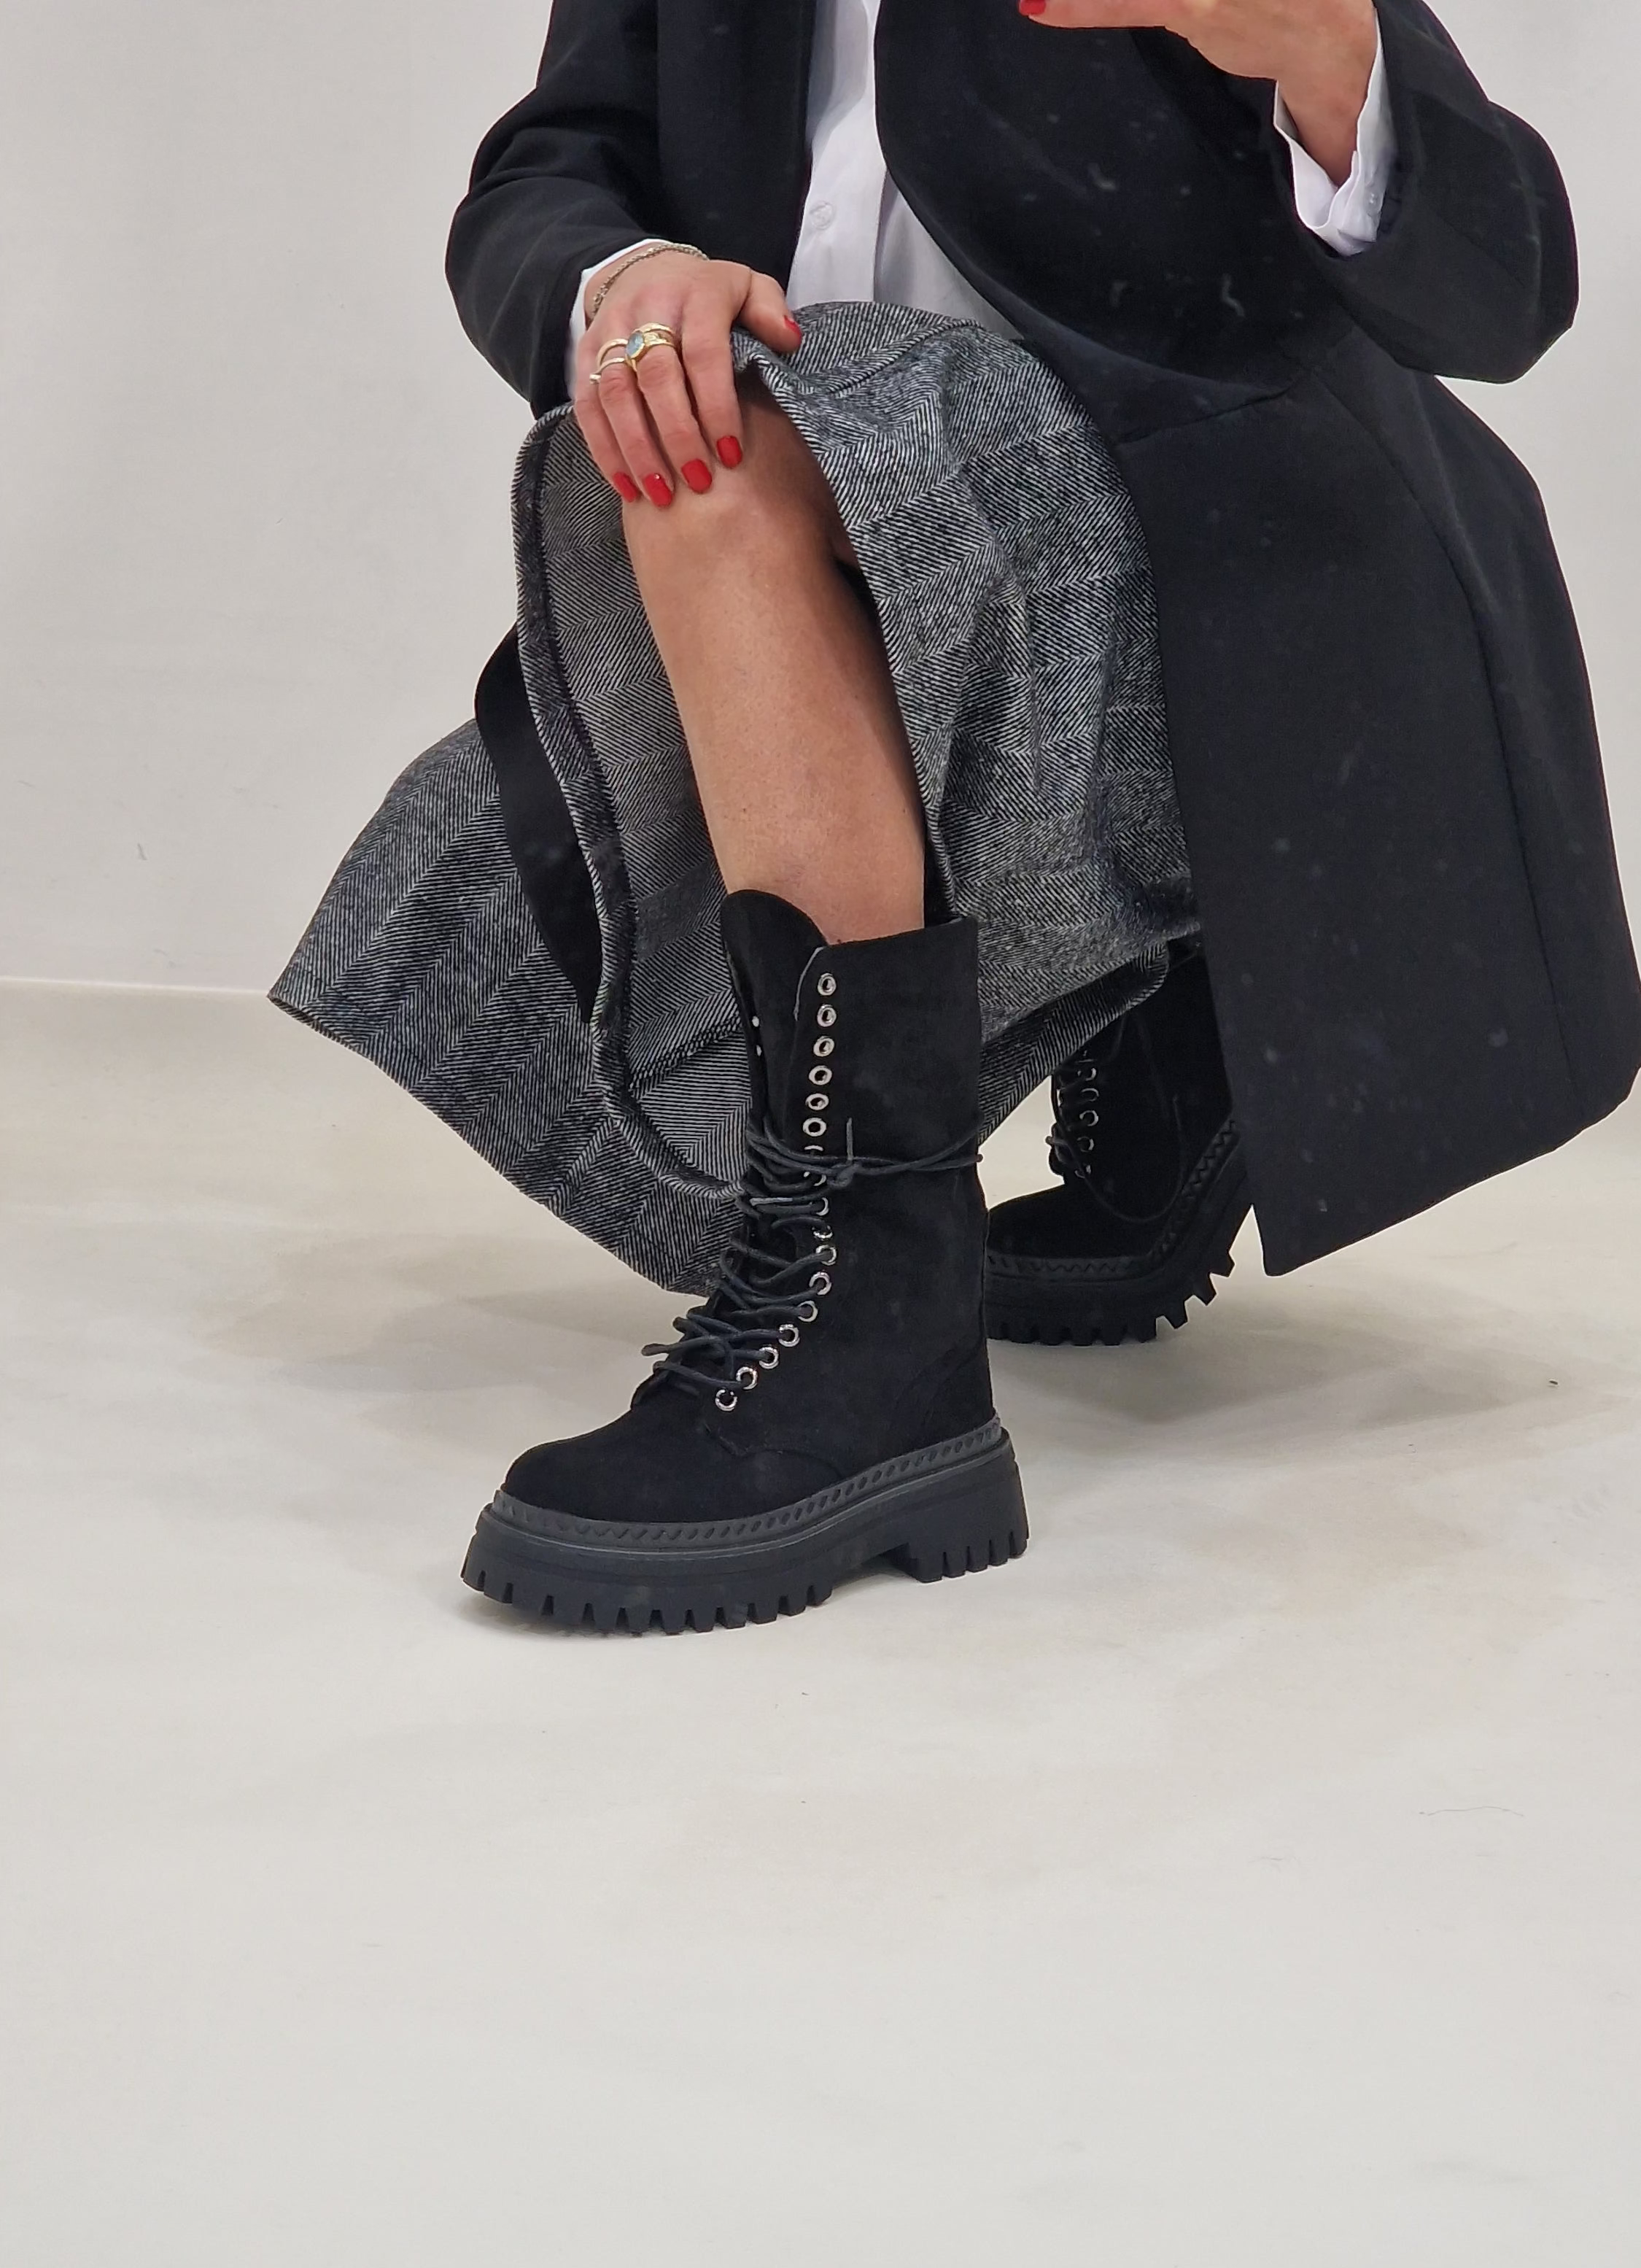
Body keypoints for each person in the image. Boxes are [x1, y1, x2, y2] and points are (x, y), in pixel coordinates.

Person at [276, 0, 1640, 1634]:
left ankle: (874, 1305)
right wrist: (620, 280)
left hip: (1214, 545)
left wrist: (1324, 53)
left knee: (713, 453)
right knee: (494, 906)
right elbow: (551, 168)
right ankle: (1171, 1022)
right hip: (849, 572)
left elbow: (1504, 291)